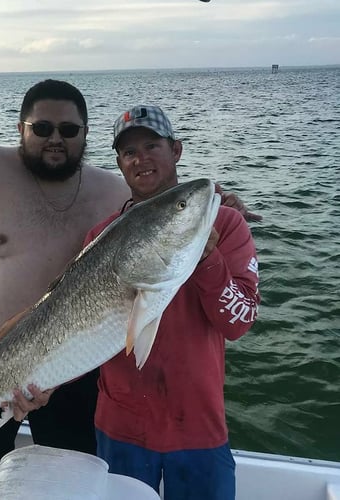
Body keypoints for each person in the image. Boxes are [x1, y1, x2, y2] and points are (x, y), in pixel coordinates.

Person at [0, 83, 258, 500]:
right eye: (42, 127)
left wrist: (214, 210)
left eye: (69, 130)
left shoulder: (112, 190)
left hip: (96, 377)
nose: (55, 138)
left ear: (85, 135)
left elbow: (169, 211)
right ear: (21, 128)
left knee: (66, 471)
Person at [81, 105, 261, 500]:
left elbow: (240, 322)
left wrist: (208, 261)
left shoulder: (225, 223)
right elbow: (81, 329)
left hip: (198, 426)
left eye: (151, 146)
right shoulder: (100, 236)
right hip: (120, 426)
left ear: (176, 150)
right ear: (119, 164)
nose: (140, 158)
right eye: (129, 152)